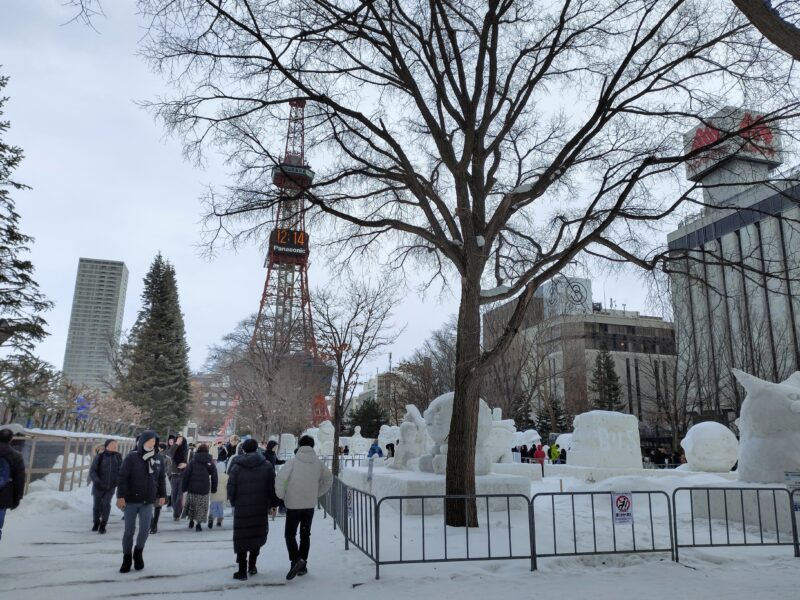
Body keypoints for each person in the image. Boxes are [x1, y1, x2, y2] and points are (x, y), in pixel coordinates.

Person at [276, 435, 333, 581]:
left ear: (300, 445)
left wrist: (281, 495)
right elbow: (328, 479)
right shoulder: (318, 463)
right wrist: (317, 493)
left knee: (290, 534)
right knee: (305, 534)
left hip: (293, 504)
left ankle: (295, 560)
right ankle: (303, 565)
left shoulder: (293, 462)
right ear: (312, 446)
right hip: (309, 505)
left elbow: (281, 478)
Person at [227, 438, 279, 580]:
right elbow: (272, 487)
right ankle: (253, 566)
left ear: (243, 449)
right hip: (260, 505)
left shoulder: (237, 466)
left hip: (242, 507)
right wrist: (274, 503)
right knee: (256, 534)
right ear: (257, 448)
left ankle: (242, 570)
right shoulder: (267, 465)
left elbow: (231, 486)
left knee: (242, 536)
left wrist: (233, 501)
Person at [116, 430, 167, 573]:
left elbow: (161, 478)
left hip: (148, 500)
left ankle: (138, 553)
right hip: (131, 500)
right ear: (142, 441)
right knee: (129, 530)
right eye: (149, 440)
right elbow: (122, 477)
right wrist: (121, 496)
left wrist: (162, 495)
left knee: (145, 529)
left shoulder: (158, 458)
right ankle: (126, 558)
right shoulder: (132, 457)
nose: (152, 443)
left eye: (154, 441)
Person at [89, 439, 122, 534]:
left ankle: (103, 524)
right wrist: (97, 481)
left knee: (106, 505)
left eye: (116, 445)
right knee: (97, 506)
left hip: (110, 487)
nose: (115, 446)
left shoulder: (118, 457)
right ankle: (96, 522)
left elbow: (121, 470)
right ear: (107, 446)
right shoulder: (100, 457)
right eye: (113, 444)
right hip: (98, 486)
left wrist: (118, 481)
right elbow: (93, 471)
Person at [182, 443, 218, 531]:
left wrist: (184, 487)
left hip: (192, 487)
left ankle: (191, 521)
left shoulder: (193, 461)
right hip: (204, 488)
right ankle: (198, 524)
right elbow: (214, 475)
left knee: (192, 505)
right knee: (202, 506)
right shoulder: (209, 462)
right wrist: (214, 488)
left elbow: (186, 475)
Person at [0, 428, 25, 543]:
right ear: (11, 440)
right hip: (4, 495)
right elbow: (19, 479)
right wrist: (18, 496)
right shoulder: (16, 456)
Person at [150, 441, 171, 534]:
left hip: (158, 486)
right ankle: (152, 524)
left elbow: (165, 474)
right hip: (149, 486)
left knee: (156, 507)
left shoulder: (162, 458)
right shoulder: (144, 458)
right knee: (149, 506)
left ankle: (154, 524)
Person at [166, 435, 189, 521]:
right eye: (178, 439)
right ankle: (177, 511)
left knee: (180, 495)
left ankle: (176, 514)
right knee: (173, 495)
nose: (180, 441)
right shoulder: (173, 449)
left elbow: (192, 462)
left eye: (181, 440)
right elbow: (169, 454)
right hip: (174, 475)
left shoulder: (187, 451)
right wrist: (176, 444)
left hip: (183, 475)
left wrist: (186, 465)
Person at [209, 459, 228, 529]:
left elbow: (210, 484)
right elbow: (227, 485)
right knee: (220, 508)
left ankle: (211, 519)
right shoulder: (226, 476)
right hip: (222, 496)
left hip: (213, 495)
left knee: (213, 507)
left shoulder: (213, 475)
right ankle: (219, 520)